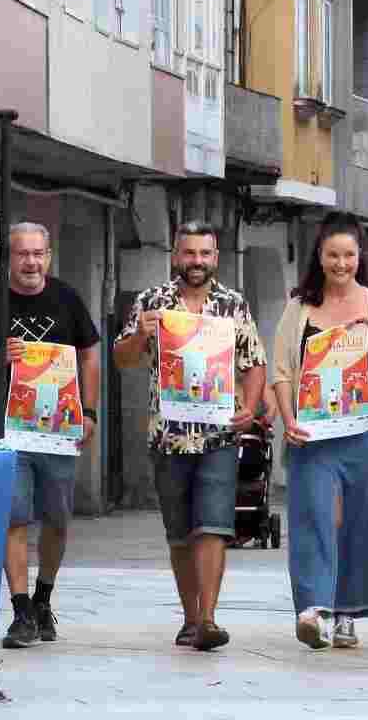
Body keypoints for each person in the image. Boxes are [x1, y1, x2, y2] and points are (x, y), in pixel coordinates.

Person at [112, 221, 267, 651]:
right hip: (168, 436)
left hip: (219, 435)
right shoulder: (151, 301)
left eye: (204, 254)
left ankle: (210, 619)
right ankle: (190, 617)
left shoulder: (233, 304)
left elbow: (254, 362)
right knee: (179, 531)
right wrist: (140, 335)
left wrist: (250, 409)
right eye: (189, 253)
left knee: (214, 526)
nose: (196, 262)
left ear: (215, 257)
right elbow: (122, 358)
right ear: (175, 255)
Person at [0, 222, 100, 650]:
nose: (31, 262)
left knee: (57, 519)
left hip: (59, 430)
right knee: (12, 516)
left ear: (48, 256)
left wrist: (89, 411)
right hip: (9, 431)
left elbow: (90, 355)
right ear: (9, 258)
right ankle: (19, 611)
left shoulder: (67, 297)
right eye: (22, 254)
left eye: (38, 253)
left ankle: (43, 599)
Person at [269, 213, 368, 650]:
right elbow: (282, 372)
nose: (341, 263)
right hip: (312, 433)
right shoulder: (299, 309)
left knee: (360, 522)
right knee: (312, 515)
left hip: (367, 431)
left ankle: (349, 611)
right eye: (333, 254)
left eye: (348, 254)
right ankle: (312, 608)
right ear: (320, 256)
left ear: (359, 257)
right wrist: (287, 418)